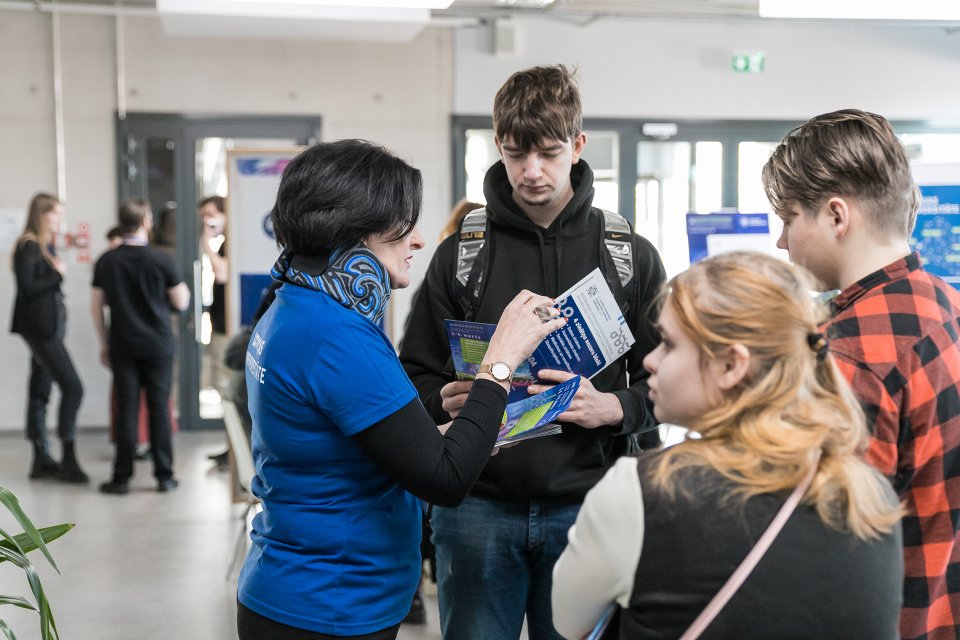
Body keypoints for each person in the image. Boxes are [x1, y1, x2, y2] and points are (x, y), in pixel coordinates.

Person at [235, 139, 566, 640]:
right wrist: (501, 360)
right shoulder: (338, 337)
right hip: (331, 603)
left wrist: (461, 422)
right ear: (354, 232)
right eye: (400, 227)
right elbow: (445, 479)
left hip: (301, 589)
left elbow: (356, 442)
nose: (416, 241)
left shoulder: (295, 305)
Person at [398, 64, 665, 640]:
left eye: (548, 151)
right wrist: (441, 399)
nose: (532, 170)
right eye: (517, 153)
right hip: (476, 508)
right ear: (498, 146)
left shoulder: (628, 256)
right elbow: (412, 375)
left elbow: (668, 382)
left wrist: (614, 409)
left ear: (578, 145)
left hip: (589, 505)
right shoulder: (461, 254)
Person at [552, 251, 904, 639]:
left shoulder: (639, 493)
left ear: (731, 366)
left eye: (668, 343)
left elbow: (568, 622)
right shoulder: (871, 495)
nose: (650, 360)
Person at [762, 109, 960, 640]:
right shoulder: (950, 305)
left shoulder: (848, 355)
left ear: (834, 215)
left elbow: (827, 550)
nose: (783, 242)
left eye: (787, 219)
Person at [92, 198, 190, 495]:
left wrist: (104, 342)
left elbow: (96, 307)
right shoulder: (161, 259)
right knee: (160, 407)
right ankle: (165, 476)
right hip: (158, 343)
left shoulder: (107, 260)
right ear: (146, 221)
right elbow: (181, 301)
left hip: (123, 343)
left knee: (127, 409)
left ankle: (121, 478)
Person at [10, 192, 88, 483]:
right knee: (73, 387)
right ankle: (67, 456)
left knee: (40, 390)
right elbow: (27, 288)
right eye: (55, 214)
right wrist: (57, 274)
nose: (59, 219)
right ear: (41, 214)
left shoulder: (43, 245)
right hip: (40, 330)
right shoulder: (29, 246)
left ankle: (41, 458)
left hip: (46, 328)